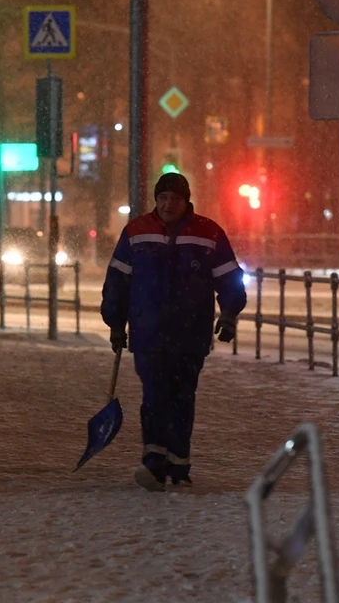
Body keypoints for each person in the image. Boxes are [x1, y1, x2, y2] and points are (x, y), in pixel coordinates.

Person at [101, 172, 247, 492]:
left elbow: (229, 278)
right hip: (148, 331)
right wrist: (114, 322)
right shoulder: (136, 231)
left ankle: (179, 462)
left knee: (182, 397)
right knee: (155, 395)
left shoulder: (209, 233)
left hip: (190, 333)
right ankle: (154, 461)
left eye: (175, 199)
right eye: (163, 198)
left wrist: (230, 314)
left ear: (186, 201)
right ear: (156, 199)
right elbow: (117, 281)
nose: (168, 204)